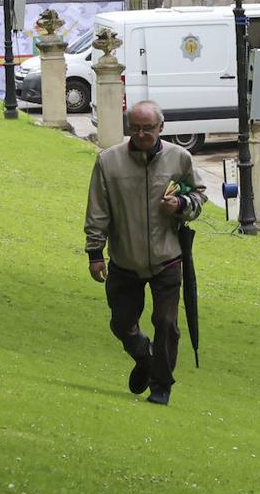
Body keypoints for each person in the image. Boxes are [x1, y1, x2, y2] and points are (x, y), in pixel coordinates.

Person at [85, 100, 208, 406]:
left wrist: (181, 205)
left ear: (161, 128)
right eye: (135, 128)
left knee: (167, 325)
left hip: (167, 258)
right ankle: (145, 357)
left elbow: (200, 195)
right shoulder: (108, 162)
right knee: (121, 324)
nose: (141, 134)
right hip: (124, 260)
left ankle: (161, 387)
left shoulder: (180, 159)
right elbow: (97, 210)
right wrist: (94, 252)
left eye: (147, 128)